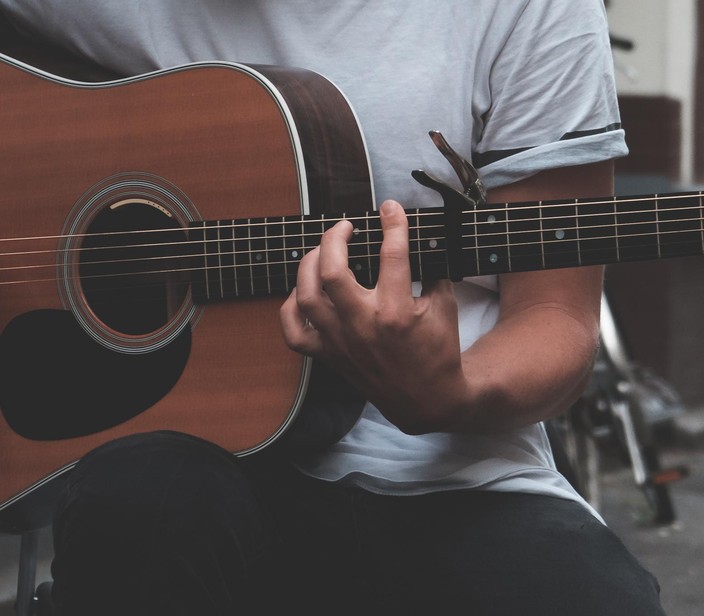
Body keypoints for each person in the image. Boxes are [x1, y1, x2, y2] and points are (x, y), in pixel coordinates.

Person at [0, 1, 665, 614]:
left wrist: (451, 393)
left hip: (454, 477)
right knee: (141, 495)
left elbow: (558, 315)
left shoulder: (522, 10)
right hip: (199, 468)